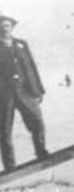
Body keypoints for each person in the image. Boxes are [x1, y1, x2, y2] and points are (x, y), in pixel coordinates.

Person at [0, 12, 49, 170]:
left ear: (12, 27)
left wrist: (38, 91)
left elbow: (31, 68)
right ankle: (10, 165)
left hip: (25, 92)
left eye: (7, 26)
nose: (4, 29)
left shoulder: (21, 44)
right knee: (4, 130)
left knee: (37, 122)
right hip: (3, 95)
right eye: (1, 26)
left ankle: (41, 152)